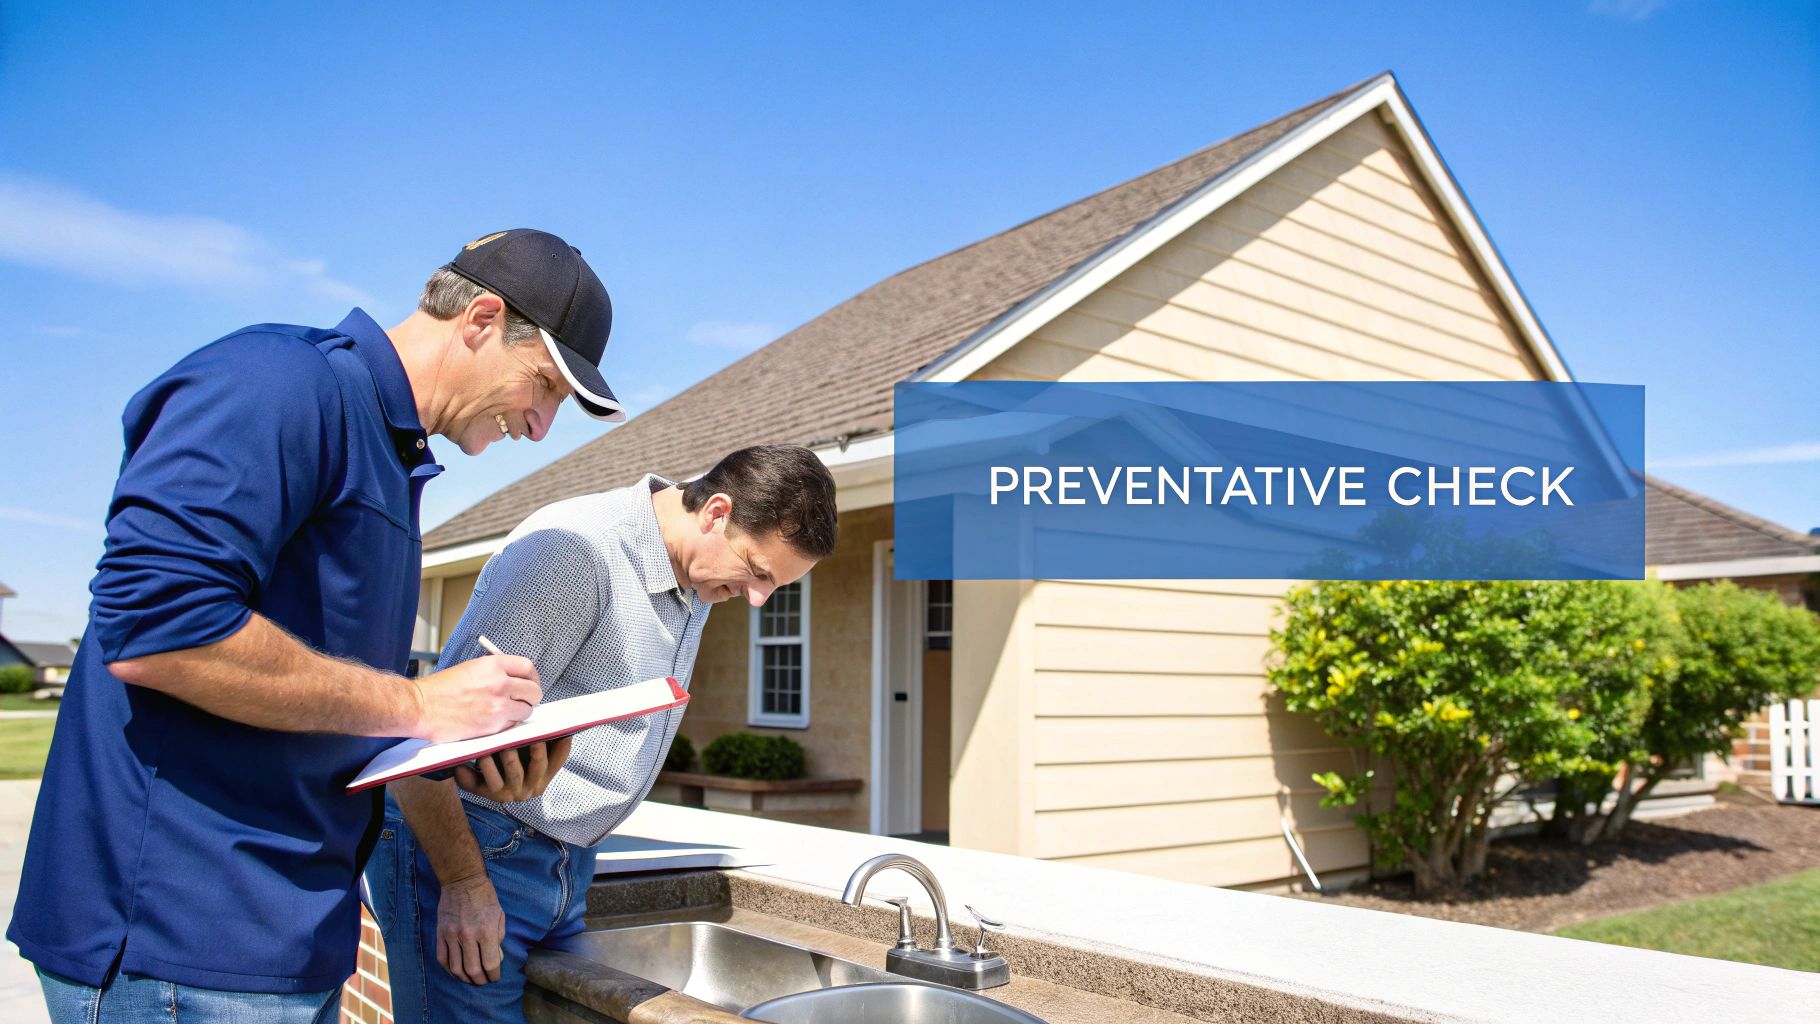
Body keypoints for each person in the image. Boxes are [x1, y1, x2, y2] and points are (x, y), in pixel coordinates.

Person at [10, 229, 628, 1023]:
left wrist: (467, 752)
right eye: (543, 385)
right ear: (479, 318)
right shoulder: (279, 382)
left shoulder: (392, 455)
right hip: (178, 942)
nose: (541, 425)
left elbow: (330, 698)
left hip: (287, 937)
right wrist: (419, 707)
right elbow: (156, 624)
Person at [370, 445, 839, 1024]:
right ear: (716, 512)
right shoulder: (573, 555)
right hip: (474, 855)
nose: (757, 598)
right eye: (758, 572)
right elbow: (426, 742)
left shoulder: (697, 574)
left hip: (566, 865)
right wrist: (464, 883)